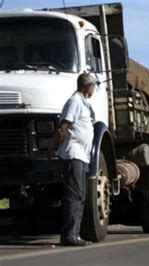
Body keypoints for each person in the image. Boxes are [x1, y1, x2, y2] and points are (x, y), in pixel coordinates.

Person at [50, 72, 96, 246]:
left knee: (80, 195)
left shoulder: (83, 103)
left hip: (81, 156)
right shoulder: (75, 102)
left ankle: (74, 233)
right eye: (93, 86)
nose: (94, 89)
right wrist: (53, 149)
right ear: (88, 87)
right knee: (74, 195)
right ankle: (70, 235)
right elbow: (63, 128)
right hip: (73, 154)